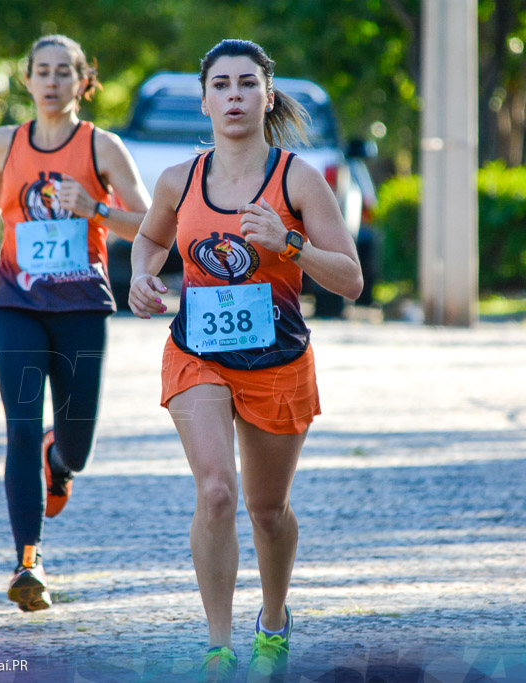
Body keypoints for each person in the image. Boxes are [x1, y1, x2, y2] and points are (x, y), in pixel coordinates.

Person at [128, 39, 362, 682]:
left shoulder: (298, 179)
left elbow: (350, 280)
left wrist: (289, 244)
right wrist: (140, 277)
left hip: (278, 360)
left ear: (266, 96)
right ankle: (218, 645)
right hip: (198, 354)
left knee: (266, 509)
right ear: (204, 101)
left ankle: (275, 617)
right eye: (222, 86)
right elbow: (149, 240)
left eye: (247, 85)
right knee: (216, 491)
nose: (234, 96)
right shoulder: (179, 180)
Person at [0, 35, 150, 611]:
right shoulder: (7, 141)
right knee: (21, 428)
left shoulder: (103, 148)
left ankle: (61, 464)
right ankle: (27, 563)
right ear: (27, 80)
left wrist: (96, 208)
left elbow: (155, 225)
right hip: (18, 305)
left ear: (84, 81)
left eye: (64, 72)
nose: (52, 81)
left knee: (74, 446)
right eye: (42, 72)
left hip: (82, 309)